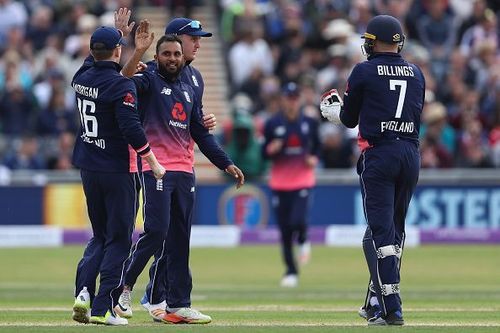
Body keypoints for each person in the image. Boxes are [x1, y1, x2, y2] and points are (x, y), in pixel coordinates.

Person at [118, 30, 244, 324]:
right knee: (158, 231)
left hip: (185, 170)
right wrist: (138, 51)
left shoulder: (192, 84)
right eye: (167, 54)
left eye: (176, 54)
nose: (173, 59)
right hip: (155, 167)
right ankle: (123, 287)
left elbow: (199, 131)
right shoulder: (147, 76)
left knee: (179, 239)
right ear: (158, 56)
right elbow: (122, 84)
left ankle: (178, 304)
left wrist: (225, 163)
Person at [320, 15, 424, 326]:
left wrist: (332, 113)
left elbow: (349, 120)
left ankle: (391, 306)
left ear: (373, 41)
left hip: (380, 154)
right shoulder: (417, 72)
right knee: (394, 231)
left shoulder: (363, 70)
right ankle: (375, 300)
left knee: (381, 235)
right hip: (410, 152)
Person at [71, 24, 165, 326]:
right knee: (120, 241)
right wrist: (151, 159)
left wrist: (123, 39)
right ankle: (102, 308)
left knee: (99, 236)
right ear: (117, 52)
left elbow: (106, 73)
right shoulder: (121, 87)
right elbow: (130, 127)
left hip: (89, 167)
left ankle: (84, 293)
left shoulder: (80, 77)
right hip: (118, 170)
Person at [262, 82, 320, 288]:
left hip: (303, 179)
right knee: (285, 230)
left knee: (297, 220)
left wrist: (314, 158)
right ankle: (291, 271)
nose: (292, 101)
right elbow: (263, 153)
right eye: (289, 97)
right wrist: (271, 149)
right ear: (283, 100)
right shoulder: (272, 123)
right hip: (279, 181)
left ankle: (304, 238)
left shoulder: (310, 122)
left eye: (295, 97)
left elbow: (317, 147)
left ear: (300, 100)